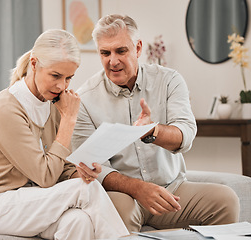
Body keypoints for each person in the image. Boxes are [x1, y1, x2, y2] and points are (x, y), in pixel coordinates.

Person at [0, 29, 129, 240]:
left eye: (68, 78)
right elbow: (45, 176)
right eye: (55, 75)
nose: (62, 86)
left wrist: (80, 173)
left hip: (26, 201)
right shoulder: (6, 109)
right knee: (85, 191)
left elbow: (61, 167)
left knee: (78, 220)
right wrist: (69, 120)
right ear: (34, 64)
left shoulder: (53, 104)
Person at [72, 14, 240, 232]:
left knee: (226, 200)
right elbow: (91, 165)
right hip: (123, 195)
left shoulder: (169, 81)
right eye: (105, 53)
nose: (112, 61)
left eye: (121, 51)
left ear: (138, 48)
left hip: (173, 189)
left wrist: (153, 131)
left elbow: (186, 134)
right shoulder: (84, 98)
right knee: (118, 210)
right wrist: (138, 188)